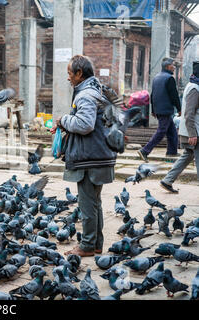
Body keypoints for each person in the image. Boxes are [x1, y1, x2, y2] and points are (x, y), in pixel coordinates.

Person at [50, 55, 116, 257]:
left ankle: (87, 246)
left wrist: (63, 120)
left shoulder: (85, 95)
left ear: (79, 74)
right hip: (99, 154)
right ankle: (96, 244)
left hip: (90, 157)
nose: (68, 78)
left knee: (87, 205)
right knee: (95, 203)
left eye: (70, 73)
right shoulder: (97, 90)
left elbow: (85, 125)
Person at [160, 61, 199, 193]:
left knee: (187, 155)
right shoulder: (195, 88)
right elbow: (189, 113)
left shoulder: (192, 85)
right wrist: (193, 133)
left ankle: (167, 180)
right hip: (194, 132)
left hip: (190, 130)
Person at [137, 57, 181, 162]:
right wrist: (179, 108)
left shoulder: (157, 77)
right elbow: (174, 96)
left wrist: (153, 110)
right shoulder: (169, 78)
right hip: (165, 109)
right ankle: (145, 150)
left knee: (172, 131)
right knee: (161, 131)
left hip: (159, 109)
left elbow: (153, 95)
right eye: (172, 65)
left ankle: (172, 151)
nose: (174, 67)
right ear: (167, 66)